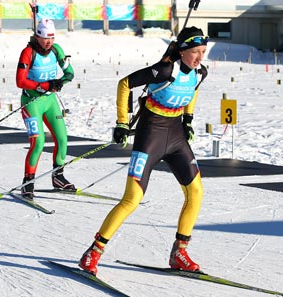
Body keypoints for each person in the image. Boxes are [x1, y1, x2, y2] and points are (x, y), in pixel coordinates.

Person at [79, 26, 209, 275]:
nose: (200, 57)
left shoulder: (200, 72)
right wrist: (121, 121)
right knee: (132, 199)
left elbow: (193, 89)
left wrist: (189, 118)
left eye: (203, 51)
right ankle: (92, 254)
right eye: (195, 52)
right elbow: (125, 83)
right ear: (182, 51)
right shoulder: (164, 70)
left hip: (177, 136)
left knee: (196, 192)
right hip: (151, 134)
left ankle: (179, 253)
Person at [15, 19, 75, 199]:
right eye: (45, 38)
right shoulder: (28, 52)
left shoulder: (56, 50)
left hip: (50, 102)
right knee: (38, 143)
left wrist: (59, 82)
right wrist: (43, 85)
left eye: (52, 37)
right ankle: (28, 182)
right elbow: (20, 81)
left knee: (63, 139)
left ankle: (58, 177)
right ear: (37, 36)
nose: (49, 42)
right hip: (31, 102)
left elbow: (70, 73)